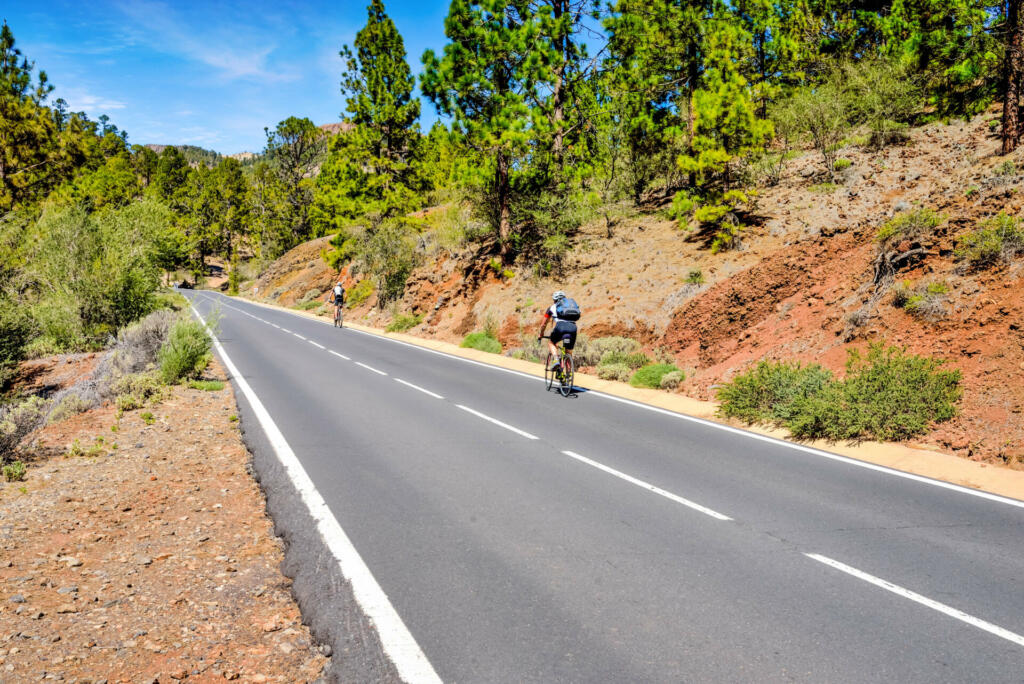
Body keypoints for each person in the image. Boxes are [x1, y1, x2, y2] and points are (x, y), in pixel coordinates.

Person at [537, 290, 579, 372]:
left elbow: (544, 324)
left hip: (560, 327)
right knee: (568, 352)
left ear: (554, 300)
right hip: (573, 328)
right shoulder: (570, 306)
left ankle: (556, 360)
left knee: (551, 342)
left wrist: (541, 334)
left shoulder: (551, 308)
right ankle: (568, 374)